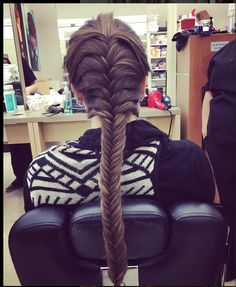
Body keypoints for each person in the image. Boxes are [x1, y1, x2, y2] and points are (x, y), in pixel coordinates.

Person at [24, 14, 215, 285]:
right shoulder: (188, 162)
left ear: (77, 92)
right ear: (143, 85)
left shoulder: (41, 174)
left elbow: (40, 261)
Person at [202, 40, 236, 282]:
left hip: (222, 140)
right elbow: (209, 93)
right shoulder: (225, 53)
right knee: (230, 206)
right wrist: (206, 135)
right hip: (221, 143)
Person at [5, 56, 38, 193]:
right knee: (15, 143)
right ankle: (20, 177)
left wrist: (25, 92)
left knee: (24, 143)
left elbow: (35, 85)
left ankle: (30, 177)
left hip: (20, 105)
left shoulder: (18, 61)